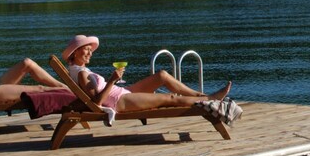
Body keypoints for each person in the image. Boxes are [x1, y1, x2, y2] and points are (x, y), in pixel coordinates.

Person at [62, 34, 233, 113]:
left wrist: (114, 82)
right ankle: (209, 99)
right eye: (86, 50)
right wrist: (112, 80)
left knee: (162, 75)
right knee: (169, 98)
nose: (90, 53)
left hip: (123, 92)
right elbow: (97, 102)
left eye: (90, 50)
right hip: (118, 100)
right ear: (75, 53)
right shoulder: (81, 74)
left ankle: (201, 95)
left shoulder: (80, 71)